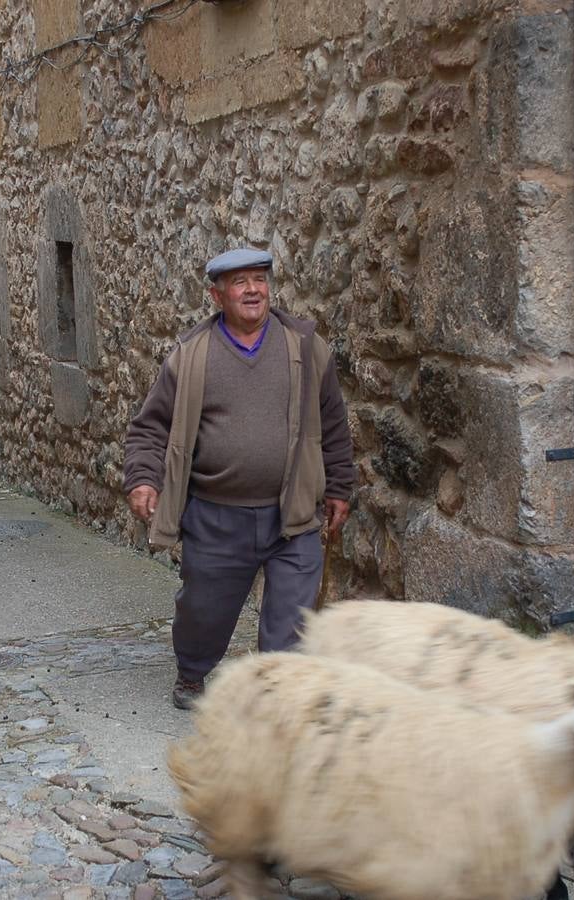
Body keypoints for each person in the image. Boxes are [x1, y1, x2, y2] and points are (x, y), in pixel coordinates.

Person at [123, 248, 355, 710]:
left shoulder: (305, 346)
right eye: (239, 282)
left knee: (291, 618)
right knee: (204, 612)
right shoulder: (191, 355)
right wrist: (143, 479)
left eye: (259, 279)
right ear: (217, 294)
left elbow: (333, 422)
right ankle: (191, 675)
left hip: (293, 512)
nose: (253, 290)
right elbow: (150, 426)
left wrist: (339, 486)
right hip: (215, 514)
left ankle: (277, 695)